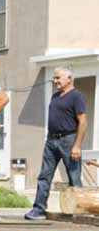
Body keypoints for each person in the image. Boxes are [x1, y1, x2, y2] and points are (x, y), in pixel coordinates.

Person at [25, 67, 88, 220]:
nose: (55, 81)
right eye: (55, 78)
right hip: (51, 140)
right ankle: (39, 209)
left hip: (69, 140)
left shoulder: (76, 96)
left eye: (58, 78)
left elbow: (83, 122)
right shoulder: (55, 96)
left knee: (74, 177)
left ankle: (78, 212)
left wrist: (77, 145)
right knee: (44, 176)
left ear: (69, 79)